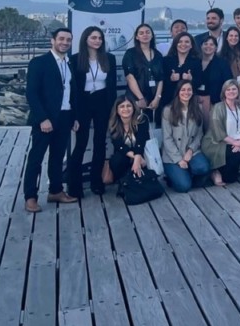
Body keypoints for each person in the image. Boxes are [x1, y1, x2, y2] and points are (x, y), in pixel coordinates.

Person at [23, 27, 79, 212]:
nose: (65, 42)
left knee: (57, 157)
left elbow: (71, 93)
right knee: (36, 158)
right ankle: (30, 197)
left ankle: (56, 191)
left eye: (68, 40)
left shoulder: (69, 63)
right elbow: (32, 93)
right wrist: (42, 118)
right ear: (52, 41)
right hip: (45, 119)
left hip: (65, 116)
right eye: (61, 39)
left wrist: (74, 117)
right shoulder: (39, 63)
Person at [68, 25, 117, 198]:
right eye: (93, 37)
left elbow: (111, 86)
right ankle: (75, 185)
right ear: (85, 39)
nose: (97, 41)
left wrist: (113, 109)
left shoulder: (109, 58)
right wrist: (73, 114)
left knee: (99, 142)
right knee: (80, 144)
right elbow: (72, 89)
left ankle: (97, 182)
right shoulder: (75, 60)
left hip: (102, 102)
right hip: (83, 103)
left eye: (99, 38)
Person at [160, 81, 211, 192]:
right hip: (173, 155)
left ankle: (185, 174)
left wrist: (191, 150)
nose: (186, 92)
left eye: (189, 90)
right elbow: (167, 139)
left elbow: (199, 134)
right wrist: (179, 160)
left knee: (204, 168)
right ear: (178, 92)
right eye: (183, 90)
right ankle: (174, 176)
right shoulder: (168, 110)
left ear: (193, 92)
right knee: (184, 187)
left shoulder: (197, 108)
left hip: (191, 151)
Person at [204, 79, 240, 186]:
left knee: (231, 176)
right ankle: (215, 171)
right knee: (238, 156)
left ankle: (223, 171)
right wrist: (235, 143)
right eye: (228, 89)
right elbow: (217, 131)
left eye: (234, 89)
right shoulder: (218, 107)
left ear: (238, 91)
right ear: (224, 92)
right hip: (217, 143)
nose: (231, 91)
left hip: (234, 143)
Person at [122, 23, 165, 128]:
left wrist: (157, 98)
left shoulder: (158, 55)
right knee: (135, 128)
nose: (145, 35)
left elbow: (161, 79)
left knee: (152, 131)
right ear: (137, 37)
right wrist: (140, 98)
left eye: (147, 32)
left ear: (152, 35)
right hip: (135, 98)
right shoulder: (130, 54)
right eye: (141, 33)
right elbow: (130, 77)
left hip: (153, 99)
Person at [107, 94, 151, 184]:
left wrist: (138, 158)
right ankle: (125, 180)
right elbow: (119, 146)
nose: (125, 109)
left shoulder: (142, 119)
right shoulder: (113, 123)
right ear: (117, 110)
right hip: (126, 155)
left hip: (143, 153)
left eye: (128, 106)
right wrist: (136, 158)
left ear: (133, 107)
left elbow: (141, 142)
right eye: (122, 106)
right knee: (116, 160)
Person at [161, 32, 200, 119]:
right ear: (175, 44)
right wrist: (170, 79)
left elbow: (199, 82)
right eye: (180, 41)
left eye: (187, 42)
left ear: (191, 45)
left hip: (189, 103)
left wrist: (191, 79)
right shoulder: (166, 60)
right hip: (169, 100)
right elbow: (161, 80)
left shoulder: (196, 62)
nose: (183, 44)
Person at [194, 35, 230, 123]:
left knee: (211, 127)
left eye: (211, 45)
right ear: (201, 46)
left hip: (214, 101)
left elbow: (228, 82)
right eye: (205, 44)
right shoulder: (194, 62)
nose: (208, 47)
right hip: (195, 100)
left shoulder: (222, 63)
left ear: (216, 48)